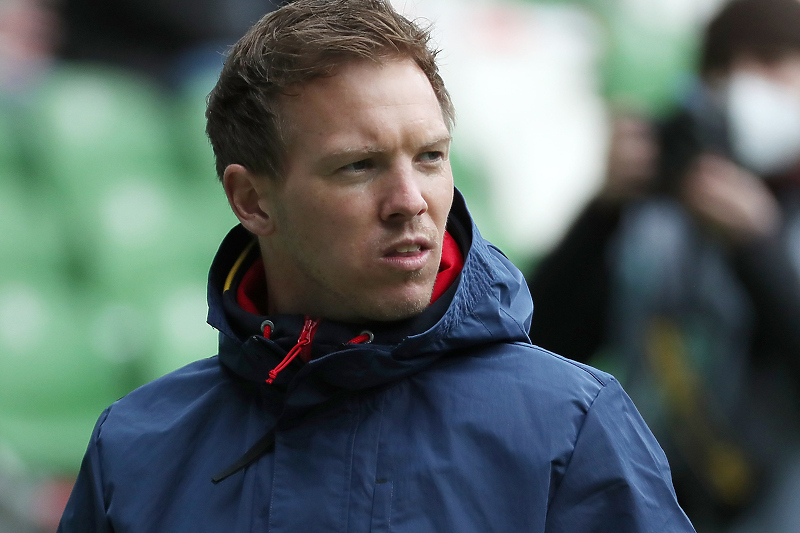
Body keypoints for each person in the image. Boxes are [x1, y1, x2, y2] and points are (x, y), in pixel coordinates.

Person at [58, 1, 695, 531]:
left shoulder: (572, 426)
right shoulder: (136, 447)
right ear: (251, 199)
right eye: (358, 165)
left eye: (429, 157)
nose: (410, 201)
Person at [527, 0, 800, 530]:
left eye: (774, 62)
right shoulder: (654, 225)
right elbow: (543, 342)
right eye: (727, 68)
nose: (748, 86)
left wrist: (757, 246)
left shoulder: (776, 226)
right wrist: (602, 212)